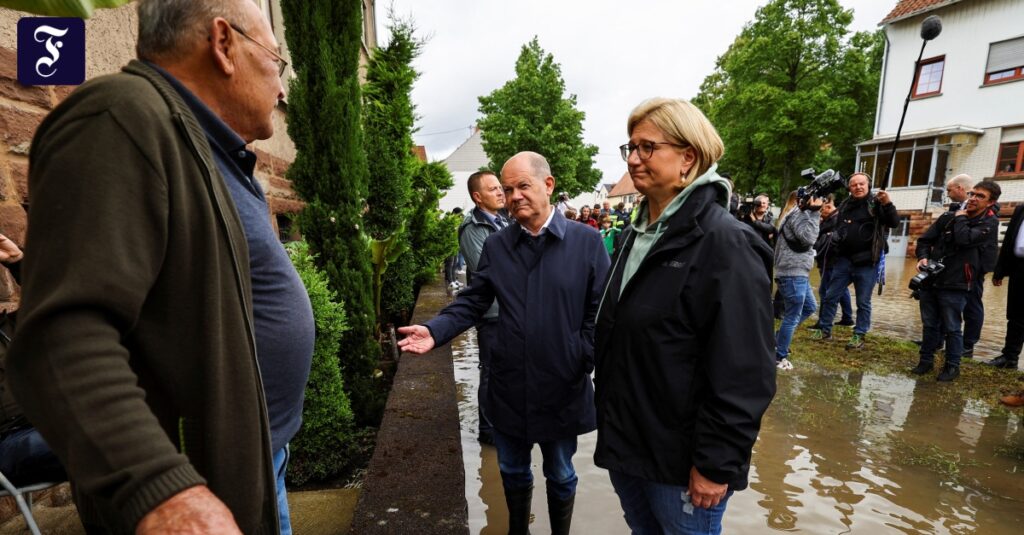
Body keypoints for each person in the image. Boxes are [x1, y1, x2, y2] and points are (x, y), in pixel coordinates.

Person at [6, 1, 311, 532]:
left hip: (254, 465)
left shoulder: (209, 150)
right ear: (223, 44)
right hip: (193, 495)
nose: (282, 89)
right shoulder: (119, 116)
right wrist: (163, 493)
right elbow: (61, 336)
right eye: (276, 62)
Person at [398, 152, 609, 535]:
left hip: (563, 382)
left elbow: (601, 313)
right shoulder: (498, 246)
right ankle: (518, 530)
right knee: (511, 468)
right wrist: (436, 329)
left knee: (560, 472)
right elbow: (474, 300)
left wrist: (582, 356)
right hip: (509, 380)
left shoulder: (588, 242)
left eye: (522, 186)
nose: (513, 196)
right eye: (507, 189)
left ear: (549, 185)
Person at [598, 98, 775, 534]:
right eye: (630, 148)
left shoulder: (725, 243)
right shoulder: (635, 235)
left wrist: (716, 463)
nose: (634, 159)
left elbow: (745, 371)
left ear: (688, 157)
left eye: (646, 147)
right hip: (630, 445)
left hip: (682, 464)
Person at [911, 182, 1001, 382]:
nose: (973, 198)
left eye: (980, 196)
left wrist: (960, 218)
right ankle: (925, 362)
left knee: (952, 327)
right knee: (929, 324)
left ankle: (952, 367)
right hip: (932, 279)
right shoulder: (948, 217)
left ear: (991, 202)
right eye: (972, 193)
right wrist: (923, 257)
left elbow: (964, 239)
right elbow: (925, 240)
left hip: (958, 283)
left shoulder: (989, 222)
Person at [0, 235, 67, 488]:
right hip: (11, 443)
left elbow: (56, 294)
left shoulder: (14, 326)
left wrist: (18, 260)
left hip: (54, 423)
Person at [812, 173, 899, 349]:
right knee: (830, 296)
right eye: (854, 185)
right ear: (849, 187)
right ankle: (824, 328)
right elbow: (838, 226)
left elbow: (894, 222)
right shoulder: (845, 205)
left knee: (863, 302)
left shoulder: (876, 203)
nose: (858, 187)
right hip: (844, 260)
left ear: (868, 185)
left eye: (861, 184)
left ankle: (859, 335)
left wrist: (887, 203)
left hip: (867, 262)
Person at [458, 170, 508, 445]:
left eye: (500, 187)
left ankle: (505, 423)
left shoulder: (503, 221)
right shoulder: (472, 228)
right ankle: (488, 433)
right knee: (490, 372)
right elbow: (486, 269)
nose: (501, 192)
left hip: (510, 311)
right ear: (478, 197)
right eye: (493, 189)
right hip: (491, 313)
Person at [773, 191, 824, 370]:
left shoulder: (794, 213)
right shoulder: (797, 214)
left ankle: (776, 339)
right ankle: (779, 356)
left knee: (810, 307)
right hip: (792, 273)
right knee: (792, 316)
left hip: (797, 272)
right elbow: (809, 238)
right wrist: (815, 212)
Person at [989, 197, 1024, 371]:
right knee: (1016, 316)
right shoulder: (1020, 210)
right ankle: (1010, 358)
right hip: (1019, 267)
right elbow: (1009, 239)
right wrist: (1000, 270)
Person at [812, 195, 853, 329]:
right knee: (841, 289)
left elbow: (825, 240)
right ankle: (847, 318)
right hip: (832, 260)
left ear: (829, 207)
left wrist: (819, 225)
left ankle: (823, 322)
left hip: (830, 261)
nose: (820, 213)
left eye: (821, 210)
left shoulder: (834, 220)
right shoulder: (834, 218)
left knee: (825, 291)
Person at [444, 207, 465, 290]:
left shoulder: (456, 222)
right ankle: (450, 282)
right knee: (450, 263)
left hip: (455, 245)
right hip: (449, 245)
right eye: (459, 215)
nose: (460, 217)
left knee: (454, 263)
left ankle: (453, 280)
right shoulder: (449, 222)